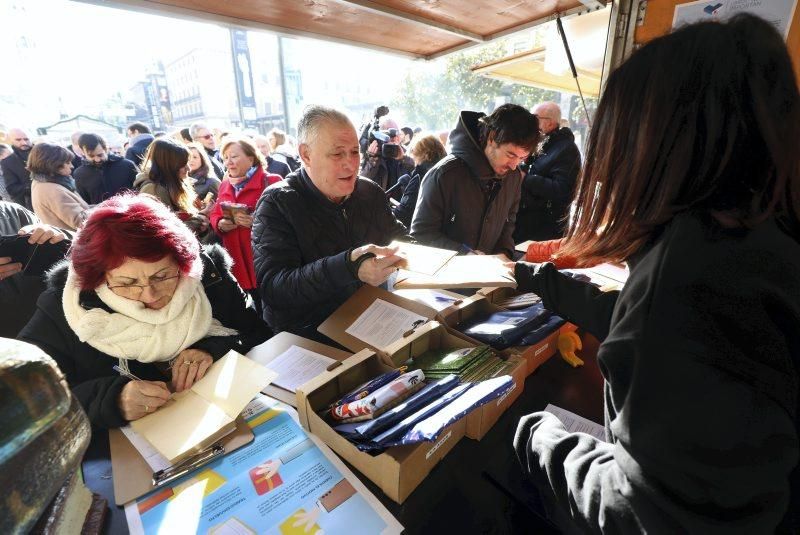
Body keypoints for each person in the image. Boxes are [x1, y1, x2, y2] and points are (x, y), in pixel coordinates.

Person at [512, 15, 800, 532]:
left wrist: (541, 438)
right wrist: (539, 282)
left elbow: (645, 514)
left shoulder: (690, 280)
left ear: (648, 148)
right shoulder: (762, 231)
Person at [19, 194, 271, 429]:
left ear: (183, 263)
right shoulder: (67, 307)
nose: (150, 296)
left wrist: (213, 347)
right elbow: (24, 398)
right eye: (127, 284)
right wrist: (111, 400)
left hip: (232, 420)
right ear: (98, 279)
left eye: (162, 276)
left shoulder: (207, 275)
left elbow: (257, 334)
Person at [252, 105, 408, 338]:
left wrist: (436, 256)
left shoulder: (368, 191)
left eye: (355, 152)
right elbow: (275, 288)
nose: (350, 164)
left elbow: (399, 238)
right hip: (308, 337)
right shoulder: (277, 202)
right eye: (337, 154)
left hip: (372, 321)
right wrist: (348, 267)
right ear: (306, 154)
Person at [411, 104, 539, 258]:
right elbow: (421, 235)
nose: (514, 166)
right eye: (511, 155)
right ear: (492, 138)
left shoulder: (514, 177)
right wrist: (464, 254)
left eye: (522, 158)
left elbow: (508, 224)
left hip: (491, 276)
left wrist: (504, 253)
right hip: (444, 277)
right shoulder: (444, 175)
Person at [209, 137, 282, 302]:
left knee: (276, 305)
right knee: (254, 305)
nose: (228, 162)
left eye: (234, 156)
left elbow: (287, 217)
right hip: (238, 260)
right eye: (225, 157)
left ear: (251, 157)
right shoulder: (224, 184)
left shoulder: (271, 181)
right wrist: (220, 223)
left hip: (265, 259)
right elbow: (214, 214)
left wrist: (257, 222)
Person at [513, 101, 581, 243]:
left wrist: (525, 179)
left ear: (550, 124)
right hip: (525, 223)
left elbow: (564, 190)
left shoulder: (566, 149)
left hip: (545, 231)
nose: (530, 122)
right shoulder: (541, 143)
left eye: (534, 118)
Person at [0, 202, 69, 338]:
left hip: (52, 326)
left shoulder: (15, 212)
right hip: (8, 346)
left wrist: (59, 238)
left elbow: (68, 258)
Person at [134, 138, 210, 239]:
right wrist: (199, 218)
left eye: (187, 162)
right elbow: (165, 234)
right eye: (182, 165)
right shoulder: (154, 190)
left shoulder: (171, 183)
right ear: (168, 166)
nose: (188, 168)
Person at [28, 143, 90, 231]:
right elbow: (81, 222)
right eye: (67, 162)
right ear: (53, 164)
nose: (72, 166)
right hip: (73, 240)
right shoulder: (52, 190)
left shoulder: (43, 183)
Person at [392, 133, 446, 228]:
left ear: (423, 154)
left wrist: (389, 212)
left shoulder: (420, 176)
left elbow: (404, 214)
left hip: (422, 233)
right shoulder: (446, 172)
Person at [74, 133, 137, 204]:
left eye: (100, 155)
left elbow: (140, 191)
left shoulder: (127, 165)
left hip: (131, 212)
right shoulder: (79, 174)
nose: (97, 159)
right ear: (83, 152)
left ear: (106, 149)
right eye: (91, 156)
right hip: (100, 214)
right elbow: (85, 203)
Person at [361, 127, 415, 195]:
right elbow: (363, 180)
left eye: (395, 135)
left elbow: (416, 171)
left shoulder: (403, 153)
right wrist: (373, 160)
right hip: (380, 201)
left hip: (399, 202)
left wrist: (403, 158)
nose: (392, 139)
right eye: (388, 136)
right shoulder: (375, 156)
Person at [1, 128, 34, 209]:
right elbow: (12, 188)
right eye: (18, 140)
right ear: (11, 140)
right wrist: (34, 186)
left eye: (26, 139)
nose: (23, 142)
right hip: (33, 203)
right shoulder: (7, 162)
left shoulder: (45, 152)